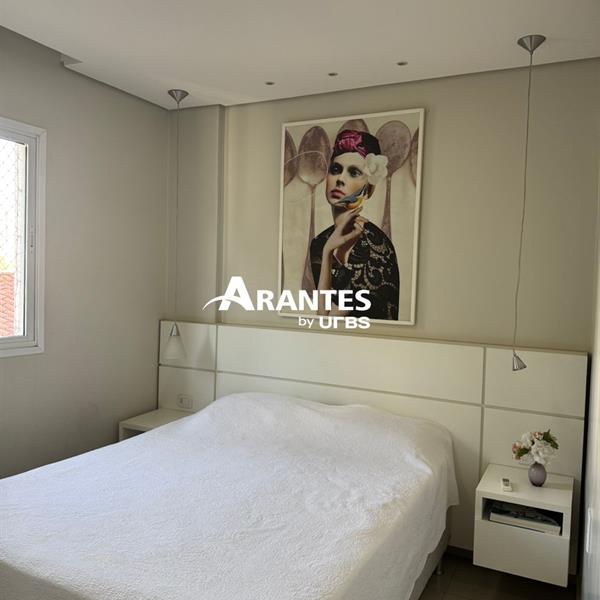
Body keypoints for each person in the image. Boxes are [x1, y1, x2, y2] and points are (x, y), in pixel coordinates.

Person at [310, 129, 400, 320]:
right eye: (336, 169)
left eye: (354, 173)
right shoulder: (320, 243)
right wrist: (327, 252)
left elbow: (333, 320)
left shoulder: (376, 245)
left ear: (369, 189)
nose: (340, 179)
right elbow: (323, 318)